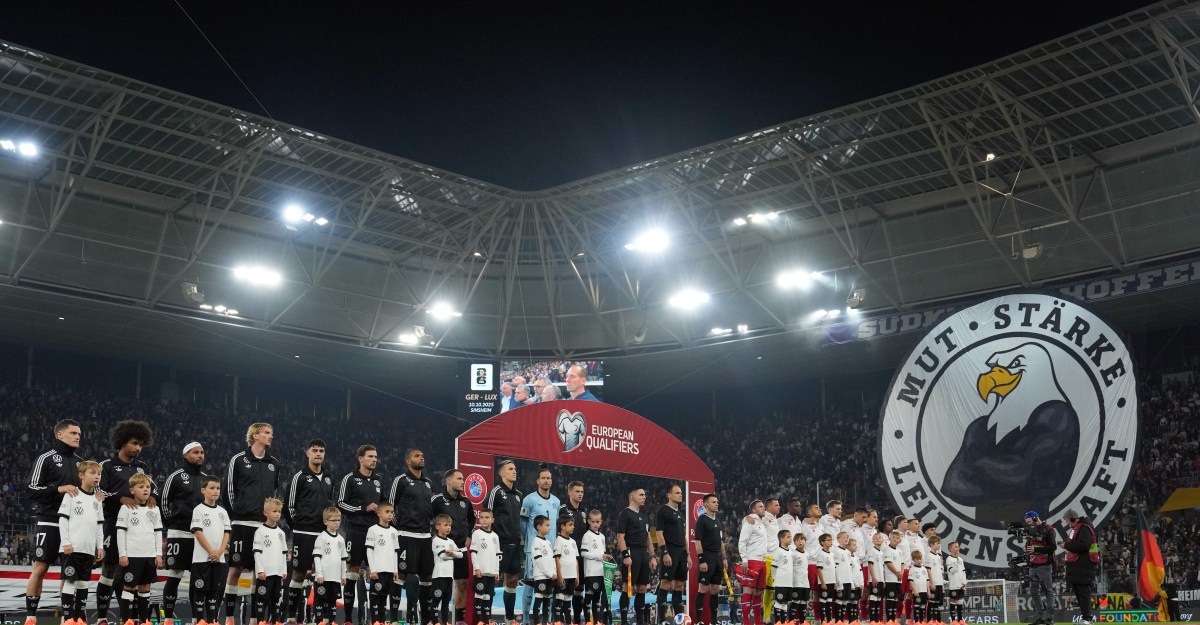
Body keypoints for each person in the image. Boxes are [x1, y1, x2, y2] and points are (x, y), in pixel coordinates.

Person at [96, 419, 157, 625]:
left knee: (132, 571)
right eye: (134, 443)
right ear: (122, 442)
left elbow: (152, 488)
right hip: (114, 523)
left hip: (139, 529)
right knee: (110, 569)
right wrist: (119, 497)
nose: (138, 448)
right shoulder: (107, 465)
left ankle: (129, 618)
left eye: (140, 444)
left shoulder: (142, 468)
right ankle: (102, 617)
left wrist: (151, 496)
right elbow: (99, 492)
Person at [25, 419, 85, 625]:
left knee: (68, 573)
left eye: (79, 433)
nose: (78, 436)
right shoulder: (46, 459)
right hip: (49, 520)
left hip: (73, 524)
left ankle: (67, 619)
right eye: (73, 433)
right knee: (40, 568)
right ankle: (31, 617)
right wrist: (58, 489)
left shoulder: (81, 462)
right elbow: (31, 490)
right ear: (60, 435)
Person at [224, 423, 284, 625]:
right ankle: (230, 616)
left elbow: (274, 494)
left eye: (271, 433)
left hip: (262, 526)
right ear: (255, 435)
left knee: (259, 573)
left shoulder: (273, 463)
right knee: (236, 569)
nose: (270, 437)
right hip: (242, 522)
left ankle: (253, 618)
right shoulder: (238, 460)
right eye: (267, 433)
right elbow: (229, 491)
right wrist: (237, 513)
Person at [285, 438, 333, 624]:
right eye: (315, 450)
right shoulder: (299, 477)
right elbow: (289, 506)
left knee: (324, 574)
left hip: (323, 534)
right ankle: (291, 616)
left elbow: (329, 506)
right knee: (298, 573)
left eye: (321, 450)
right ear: (307, 453)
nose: (318, 453)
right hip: (303, 533)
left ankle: (322, 618)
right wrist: (297, 528)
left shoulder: (329, 478)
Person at [336, 444, 383, 625]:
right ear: (360, 458)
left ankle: (376, 619)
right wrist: (363, 509)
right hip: (355, 530)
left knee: (375, 573)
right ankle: (348, 618)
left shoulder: (378, 480)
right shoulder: (350, 479)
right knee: (352, 572)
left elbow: (384, 501)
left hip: (375, 532)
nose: (374, 460)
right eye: (370, 456)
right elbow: (341, 504)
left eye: (375, 457)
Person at [161, 442, 206, 620]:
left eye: (202, 452)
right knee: (175, 576)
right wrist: (172, 523)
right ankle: (169, 619)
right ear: (186, 455)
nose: (200, 455)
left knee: (197, 579)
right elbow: (164, 501)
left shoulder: (205, 478)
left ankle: (196, 620)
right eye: (196, 452)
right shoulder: (176, 477)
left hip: (199, 536)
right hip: (179, 533)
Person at [390, 449, 436, 624]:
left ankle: (425, 619)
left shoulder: (428, 482)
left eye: (422, 455)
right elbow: (390, 505)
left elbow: (428, 509)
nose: (421, 457)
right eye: (417, 456)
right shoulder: (400, 480)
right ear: (408, 461)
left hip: (425, 536)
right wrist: (399, 526)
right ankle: (394, 619)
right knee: (401, 575)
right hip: (405, 534)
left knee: (426, 577)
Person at [58, 460, 105, 624]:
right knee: (70, 582)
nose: (96, 476)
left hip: (88, 549)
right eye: (92, 473)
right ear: (81, 475)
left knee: (83, 584)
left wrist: (100, 546)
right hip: (72, 548)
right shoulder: (72, 494)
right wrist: (66, 543)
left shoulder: (98, 499)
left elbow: (99, 525)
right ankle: (68, 618)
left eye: (98, 473)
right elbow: (63, 520)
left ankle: (78, 618)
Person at [115, 473, 163, 624]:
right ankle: (126, 620)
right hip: (132, 556)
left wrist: (159, 554)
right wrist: (123, 554)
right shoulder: (126, 508)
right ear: (132, 490)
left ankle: (144, 620)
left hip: (149, 556)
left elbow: (157, 532)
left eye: (148, 487)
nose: (145, 490)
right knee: (128, 587)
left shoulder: (154, 509)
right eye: (141, 487)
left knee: (145, 588)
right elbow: (120, 532)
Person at [431, 469, 476, 624]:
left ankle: (460, 620)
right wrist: (434, 537)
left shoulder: (466, 502)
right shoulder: (437, 500)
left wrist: (469, 535)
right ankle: (434, 619)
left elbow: (472, 519)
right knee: (442, 586)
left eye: (463, 479)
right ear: (449, 481)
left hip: (461, 550)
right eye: (459, 479)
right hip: (444, 551)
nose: (463, 481)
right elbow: (428, 517)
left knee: (462, 585)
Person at [483, 460, 523, 623]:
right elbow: (487, 515)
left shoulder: (519, 495)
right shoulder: (496, 492)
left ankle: (509, 618)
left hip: (515, 543)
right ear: (501, 473)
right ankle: (487, 618)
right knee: (492, 579)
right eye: (510, 469)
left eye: (515, 469)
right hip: (499, 544)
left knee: (512, 581)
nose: (514, 471)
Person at [521, 468, 561, 620]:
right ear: (538, 481)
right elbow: (523, 523)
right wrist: (528, 540)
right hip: (533, 549)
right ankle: (525, 619)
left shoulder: (556, 502)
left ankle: (548, 620)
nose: (546, 481)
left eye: (549, 478)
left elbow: (554, 525)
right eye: (543, 478)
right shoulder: (529, 500)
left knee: (549, 584)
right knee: (531, 584)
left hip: (550, 550)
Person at [191, 475, 232, 625]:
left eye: (218, 488)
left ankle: (212, 620)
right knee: (200, 590)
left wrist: (220, 551)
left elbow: (227, 533)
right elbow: (198, 532)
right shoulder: (198, 510)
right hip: (202, 558)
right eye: (212, 488)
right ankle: (201, 620)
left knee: (214, 591)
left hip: (219, 558)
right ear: (203, 490)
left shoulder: (223, 512)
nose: (216, 491)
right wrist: (211, 551)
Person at [616, 488, 657, 625]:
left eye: (645, 494)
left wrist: (652, 556)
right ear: (633, 497)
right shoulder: (625, 514)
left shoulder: (645, 515)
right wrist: (625, 555)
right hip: (631, 551)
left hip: (643, 554)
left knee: (642, 588)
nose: (644, 497)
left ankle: (640, 621)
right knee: (627, 587)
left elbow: (648, 538)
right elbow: (620, 536)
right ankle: (623, 621)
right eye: (641, 495)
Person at [654, 484, 688, 623]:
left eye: (681, 493)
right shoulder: (663, 510)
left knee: (679, 585)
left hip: (681, 552)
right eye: (677, 493)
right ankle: (662, 620)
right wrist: (665, 552)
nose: (681, 495)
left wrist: (688, 554)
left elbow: (684, 535)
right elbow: (659, 533)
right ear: (669, 495)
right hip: (670, 550)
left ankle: (679, 620)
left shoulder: (680, 513)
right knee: (666, 583)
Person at [252, 498, 288, 625]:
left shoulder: (281, 533)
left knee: (276, 599)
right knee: (262, 598)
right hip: (265, 573)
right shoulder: (260, 531)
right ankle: (261, 621)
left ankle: (275, 621)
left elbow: (284, 553)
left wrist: (283, 570)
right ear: (266, 513)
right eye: (274, 511)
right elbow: (257, 552)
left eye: (279, 511)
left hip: (277, 573)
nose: (277, 514)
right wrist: (260, 570)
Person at [1059, 508, 1099, 625]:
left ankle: (1087, 618)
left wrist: (1067, 545)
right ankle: (1085, 618)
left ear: (1072, 518)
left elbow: (1084, 545)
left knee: (1083, 592)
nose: (1066, 522)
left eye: (1066, 520)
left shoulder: (1084, 528)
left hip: (1084, 565)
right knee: (1080, 592)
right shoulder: (1078, 528)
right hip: (1078, 566)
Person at [312, 508, 348, 625]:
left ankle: (331, 622)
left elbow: (343, 559)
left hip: (335, 577)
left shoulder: (341, 539)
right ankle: (319, 622)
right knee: (320, 601)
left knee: (332, 602)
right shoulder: (321, 537)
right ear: (326, 522)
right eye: (334, 520)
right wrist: (319, 574)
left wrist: (343, 575)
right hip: (323, 577)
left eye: (339, 520)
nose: (337, 522)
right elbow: (317, 557)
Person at [366, 502, 399, 625]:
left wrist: (395, 570)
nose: (390, 514)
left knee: (384, 598)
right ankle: (374, 621)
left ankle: (383, 621)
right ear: (379, 513)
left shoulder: (394, 531)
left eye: (391, 512)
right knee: (375, 597)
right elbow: (369, 551)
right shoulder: (372, 530)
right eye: (387, 512)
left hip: (390, 570)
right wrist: (373, 569)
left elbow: (395, 552)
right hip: (378, 571)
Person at [737, 500, 769, 625]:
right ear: (754, 510)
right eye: (760, 507)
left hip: (762, 561)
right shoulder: (750, 522)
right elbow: (742, 541)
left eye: (764, 507)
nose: (763, 508)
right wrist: (744, 559)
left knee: (759, 592)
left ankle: (757, 621)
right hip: (752, 560)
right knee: (748, 591)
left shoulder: (761, 523)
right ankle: (746, 622)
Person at [559, 481, 587, 625]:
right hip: (566, 554)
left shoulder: (584, 511)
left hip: (581, 555)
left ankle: (576, 620)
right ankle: (562, 620)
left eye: (581, 491)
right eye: (577, 491)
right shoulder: (563, 509)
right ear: (570, 492)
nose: (580, 494)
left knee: (579, 588)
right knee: (565, 587)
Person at [1023, 510, 1057, 625]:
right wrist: (1026, 548)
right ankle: (1041, 617)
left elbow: (1053, 547)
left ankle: (1049, 618)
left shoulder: (1048, 529)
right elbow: (1029, 545)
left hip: (1045, 565)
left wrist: (1035, 549)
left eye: (1028, 521)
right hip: (1033, 565)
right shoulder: (1031, 531)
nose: (1028, 524)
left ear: (1035, 518)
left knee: (1048, 591)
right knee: (1034, 592)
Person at [470, 509, 502, 625]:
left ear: (492, 520)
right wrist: (476, 568)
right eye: (482, 517)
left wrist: (496, 571)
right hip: (481, 571)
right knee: (479, 595)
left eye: (487, 517)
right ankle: (479, 622)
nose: (484, 519)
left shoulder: (495, 536)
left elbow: (498, 555)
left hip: (491, 572)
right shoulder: (476, 534)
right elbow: (473, 552)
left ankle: (486, 621)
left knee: (487, 597)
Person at [581, 510, 613, 625]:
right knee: (589, 598)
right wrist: (599, 556)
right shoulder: (587, 536)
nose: (595, 524)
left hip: (601, 572)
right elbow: (583, 553)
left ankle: (597, 621)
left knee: (597, 599)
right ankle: (588, 621)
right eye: (593, 522)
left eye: (598, 522)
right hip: (590, 572)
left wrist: (606, 557)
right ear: (589, 521)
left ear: (601, 522)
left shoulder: (603, 537)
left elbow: (602, 554)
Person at [431, 514, 463, 625]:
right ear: (437, 526)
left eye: (449, 525)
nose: (448, 527)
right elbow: (443, 556)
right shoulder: (436, 540)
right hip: (439, 576)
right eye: (446, 525)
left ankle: (445, 621)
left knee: (446, 601)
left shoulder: (450, 541)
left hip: (449, 576)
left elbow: (461, 555)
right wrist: (454, 554)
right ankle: (435, 621)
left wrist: (452, 552)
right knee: (436, 600)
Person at [553, 516, 580, 624]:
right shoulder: (558, 541)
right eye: (570, 525)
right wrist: (559, 575)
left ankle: (568, 622)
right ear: (562, 526)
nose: (573, 527)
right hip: (563, 576)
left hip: (572, 575)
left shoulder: (573, 541)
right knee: (559, 600)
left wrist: (577, 575)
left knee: (568, 602)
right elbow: (557, 559)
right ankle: (558, 621)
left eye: (573, 525)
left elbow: (576, 560)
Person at [529, 516, 556, 625]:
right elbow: (539, 561)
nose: (549, 527)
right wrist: (549, 573)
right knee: (539, 600)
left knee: (547, 602)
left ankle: (545, 622)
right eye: (547, 525)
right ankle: (537, 623)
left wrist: (554, 572)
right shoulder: (536, 541)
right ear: (539, 527)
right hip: (541, 576)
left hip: (550, 576)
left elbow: (553, 559)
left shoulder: (548, 542)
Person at [769, 530, 794, 624]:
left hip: (789, 582)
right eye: (788, 537)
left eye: (790, 536)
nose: (790, 538)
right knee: (779, 602)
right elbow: (773, 567)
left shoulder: (791, 552)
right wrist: (776, 580)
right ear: (781, 539)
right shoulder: (778, 552)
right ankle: (777, 622)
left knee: (785, 603)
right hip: (780, 582)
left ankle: (783, 622)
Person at [813, 534, 835, 623]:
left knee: (829, 603)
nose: (831, 541)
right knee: (823, 602)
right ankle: (823, 621)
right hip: (824, 582)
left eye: (831, 539)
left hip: (831, 582)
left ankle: (829, 621)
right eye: (828, 540)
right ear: (822, 542)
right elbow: (819, 569)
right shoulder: (821, 554)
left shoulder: (832, 554)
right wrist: (822, 582)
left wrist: (835, 581)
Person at [789, 533, 810, 624]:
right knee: (795, 602)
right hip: (796, 582)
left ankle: (802, 622)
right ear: (794, 543)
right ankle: (790, 621)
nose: (800, 541)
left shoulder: (807, 554)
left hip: (805, 582)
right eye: (797, 540)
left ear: (805, 541)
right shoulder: (792, 553)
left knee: (803, 603)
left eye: (802, 539)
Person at [944, 541, 967, 623]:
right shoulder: (949, 559)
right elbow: (952, 571)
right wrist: (956, 562)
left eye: (958, 546)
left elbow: (963, 571)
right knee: (953, 602)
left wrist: (964, 582)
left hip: (961, 585)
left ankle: (960, 620)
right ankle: (953, 621)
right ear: (950, 549)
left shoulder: (961, 559)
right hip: (954, 585)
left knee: (960, 602)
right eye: (956, 547)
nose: (958, 548)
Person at [906, 550, 929, 622]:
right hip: (917, 592)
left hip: (924, 591)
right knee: (916, 607)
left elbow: (927, 580)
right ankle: (916, 622)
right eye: (917, 559)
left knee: (923, 607)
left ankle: (921, 621)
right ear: (913, 560)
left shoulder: (924, 569)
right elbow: (910, 581)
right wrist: (915, 590)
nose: (919, 561)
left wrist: (928, 591)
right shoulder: (912, 569)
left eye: (920, 559)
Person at [926, 535, 945, 622]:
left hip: (939, 583)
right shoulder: (928, 556)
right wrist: (931, 583)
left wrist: (942, 584)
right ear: (932, 544)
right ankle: (930, 621)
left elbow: (940, 571)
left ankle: (938, 621)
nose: (939, 545)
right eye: (938, 543)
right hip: (933, 583)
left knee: (938, 603)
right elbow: (928, 570)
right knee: (931, 603)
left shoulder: (938, 556)